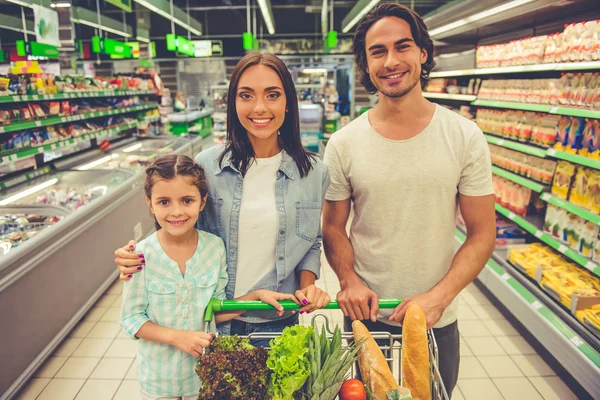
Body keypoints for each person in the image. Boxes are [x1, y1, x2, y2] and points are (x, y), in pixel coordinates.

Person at [322, 3, 496, 397]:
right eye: (377, 51)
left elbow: (483, 233)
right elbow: (332, 227)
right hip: (366, 314)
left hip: (437, 316)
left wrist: (439, 296)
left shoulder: (464, 136)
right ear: (365, 66)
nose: (391, 61)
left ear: (423, 53)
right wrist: (348, 280)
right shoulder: (344, 143)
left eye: (402, 47)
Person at [115, 52, 331, 337]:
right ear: (233, 103)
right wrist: (139, 257)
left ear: (288, 102)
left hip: (278, 320)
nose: (259, 107)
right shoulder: (207, 165)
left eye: (272, 95)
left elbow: (311, 242)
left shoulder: (314, 172)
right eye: (246, 95)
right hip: (213, 319)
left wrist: (307, 285)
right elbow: (179, 228)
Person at [120, 154, 299, 400]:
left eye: (186, 200)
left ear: (202, 202)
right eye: (164, 202)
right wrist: (176, 337)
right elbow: (131, 318)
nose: (176, 211)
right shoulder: (140, 255)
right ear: (150, 204)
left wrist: (255, 297)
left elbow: (215, 310)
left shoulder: (214, 248)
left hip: (203, 380)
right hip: (158, 381)